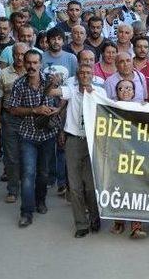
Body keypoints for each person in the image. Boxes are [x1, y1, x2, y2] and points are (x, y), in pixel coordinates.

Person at [47, 64, 102, 238]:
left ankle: (95, 217)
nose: (85, 76)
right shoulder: (70, 90)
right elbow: (51, 93)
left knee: (91, 186)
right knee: (75, 186)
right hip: (73, 141)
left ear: (93, 75)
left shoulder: (100, 93)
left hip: (93, 141)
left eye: (88, 73)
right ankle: (81, 224)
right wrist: (52, 83)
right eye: (82, 73)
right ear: (77, 76)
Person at [8, 50, 61, 228]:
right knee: (28, 174)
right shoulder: (19, 84)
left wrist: (56, 111)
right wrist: (34, 110)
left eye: (35, 63)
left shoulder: (50, 81)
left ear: (40, 64)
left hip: (48, 135)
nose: (31, 66)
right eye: (28, 63)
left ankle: (40, 201)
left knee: (44, 173)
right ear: (24, 63)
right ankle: (26, 212)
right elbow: (13, 109)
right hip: (28, 135)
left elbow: (63, 99)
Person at [110, 78, 148, 238]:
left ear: (134, 92)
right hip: (116, 153)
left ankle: (136, 226)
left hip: (136, 155)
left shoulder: (141, 108)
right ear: (116, 93)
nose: (125, 91)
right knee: (117, 188)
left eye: (128, 88)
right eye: (121, 88)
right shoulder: (110, 107)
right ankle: (118, 221)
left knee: (136, 189)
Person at [0, 42, 28, 203]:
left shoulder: (33, 73)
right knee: (11, 157)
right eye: (16, 54)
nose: (19, 57)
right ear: (12, 55)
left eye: (23, 54)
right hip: (10, 119)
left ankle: (28, 188)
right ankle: (13, 189)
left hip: (30, 120)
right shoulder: (3, 74)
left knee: (27, 156)